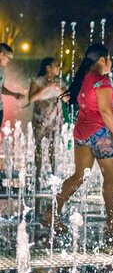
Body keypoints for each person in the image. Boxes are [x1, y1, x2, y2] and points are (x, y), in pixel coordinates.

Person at [46, 44, 113, 245]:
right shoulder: (102, 82)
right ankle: (112, 223)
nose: (111, 62)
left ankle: (52, 212)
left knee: (78, 176)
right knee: (110, 180)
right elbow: (106, 112)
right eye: (109, 58)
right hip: (101, 134)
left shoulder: (85, 78)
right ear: (102, 60)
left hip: (82, 133)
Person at [29, 57, 68, 186]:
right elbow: (32, 98)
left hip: (55, 119)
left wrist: (58, 89)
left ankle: (54, 174)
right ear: (48, 68)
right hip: (40, 119)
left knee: (54, 147)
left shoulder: (59, 82)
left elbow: (67, 98)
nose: (58, 68)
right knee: (39, 147)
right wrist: (47, 87)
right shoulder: (38, 81)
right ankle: (38, 175)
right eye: (56, 65)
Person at [0, 43, 26, 125]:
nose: (9, 60)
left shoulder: (3, 70)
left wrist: (13, 94)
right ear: (1, 55)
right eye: (8, 57)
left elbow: (1, 88)